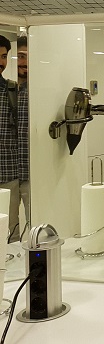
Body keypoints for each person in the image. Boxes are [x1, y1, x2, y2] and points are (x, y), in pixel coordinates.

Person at [0, 35, 19, 241]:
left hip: (8, 173)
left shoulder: (12, 90)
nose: (1, 62)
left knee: (10, 232)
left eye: (4, 56)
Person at [16, 36, 30, 238]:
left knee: (36, 225)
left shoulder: (38, 93)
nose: (24, 61)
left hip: (32, 172)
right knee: (6, 228)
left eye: (28, 56)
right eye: (20, 56)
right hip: (6, 172)